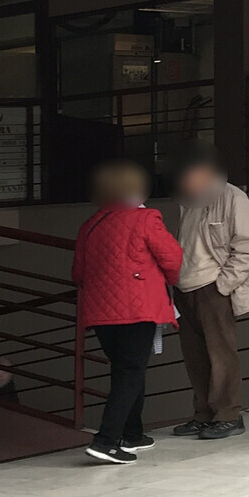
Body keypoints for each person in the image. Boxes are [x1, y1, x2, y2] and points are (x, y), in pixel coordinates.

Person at [70, 160, 182, 464]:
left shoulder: (90, 224)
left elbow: (78, 272)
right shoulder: (145, 219)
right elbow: (173, 259)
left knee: (125, 369)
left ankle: (133, 433)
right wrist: (164, 282)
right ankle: (106, 441)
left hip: (100, 311)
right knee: (131, 372)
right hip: (138, 307)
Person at [171, 148, 249, 441]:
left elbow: (247, 247)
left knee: (221, 355)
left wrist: (222, 286)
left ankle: (228, 415)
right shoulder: (187, 199)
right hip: (184, 286)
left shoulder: (232, 197)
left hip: (213, 287)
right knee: (195, 357)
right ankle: (204, 415)